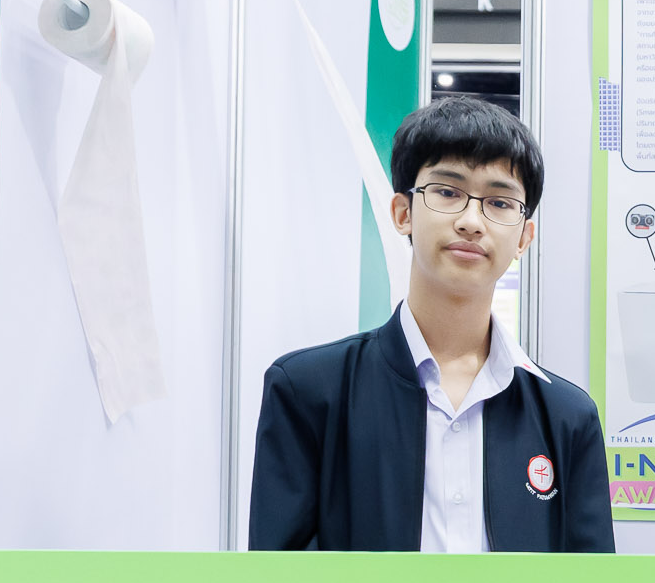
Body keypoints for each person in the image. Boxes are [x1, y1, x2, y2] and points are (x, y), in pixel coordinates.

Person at [249, 94, 613, 553]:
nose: (471, 221)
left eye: (500, 202)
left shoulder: (567, 417)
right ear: (403, 213)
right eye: (447, 192)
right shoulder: (308, 391)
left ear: (524, 237)